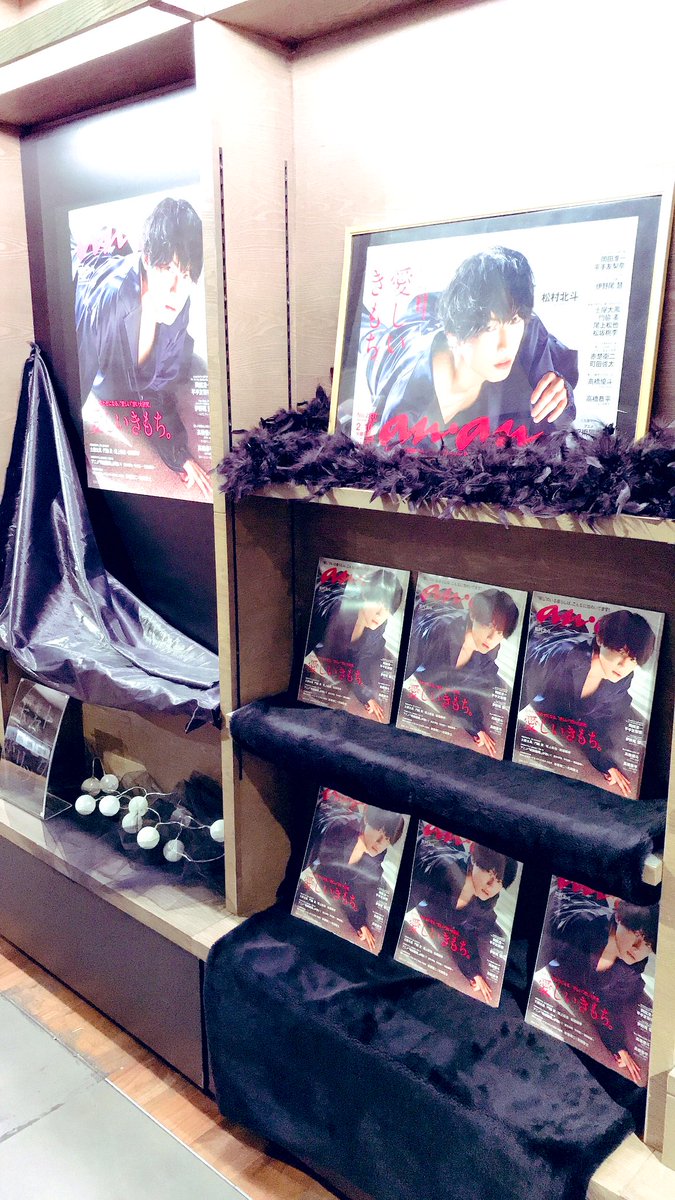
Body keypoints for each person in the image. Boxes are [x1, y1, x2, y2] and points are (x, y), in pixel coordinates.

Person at [360, 246, 578, 451]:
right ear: (454, 336)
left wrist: (561, 391)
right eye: (490, 328)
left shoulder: (527, 331)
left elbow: (556, 426)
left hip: (451, 314)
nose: (505, 346)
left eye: (513, 321)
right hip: (402, 342)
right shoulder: (404, 404)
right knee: (366, 332)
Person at [74, 196, 211, 498]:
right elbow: (70, 391)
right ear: (147, 259)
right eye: (166, 269)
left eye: (185, 274)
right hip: (88, 285)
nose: (176, 290)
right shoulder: (107, 306)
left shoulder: (178, 301)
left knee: (181, 365)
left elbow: (159, 387)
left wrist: (178, 453)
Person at [521, 608, 657, 796]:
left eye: (633, 659)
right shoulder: (561, 658)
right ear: (600, 640)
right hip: (541, 646)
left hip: (571, 635)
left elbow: (604, 718)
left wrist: (604, 761)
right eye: (620, 652)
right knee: (528, 623)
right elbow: (522, 687)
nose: (624, 665)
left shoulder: (622, 677)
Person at [545, 886, 657, 1086]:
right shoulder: (584, 931)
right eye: (635, 934)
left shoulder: (631, 972)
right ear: (620, 919)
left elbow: (608, 1003)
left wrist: (617, 1046)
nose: (638, 948)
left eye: (648, 944)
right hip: (566, 913)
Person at [404, 587, 520, 756]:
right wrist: (368, 695)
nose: (491, 638)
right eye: (488, 626)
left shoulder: (490, 649)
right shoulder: (436, 634)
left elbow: (469, 687)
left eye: (500, 633)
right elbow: (404, 665)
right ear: (473, 615)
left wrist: (475, 727)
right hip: (424, 615)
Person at [407, 834, 518, 1003]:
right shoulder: (438, 873)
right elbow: (404, 897)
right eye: (488, 873)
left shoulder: (485, 902)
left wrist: (473, 971)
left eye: (499, 881)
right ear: (474, 861)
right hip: (423, 850)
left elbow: (467, 933)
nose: (491, 885)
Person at [304, 797, 406, 951]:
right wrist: (357, 850)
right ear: (366, 820)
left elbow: (358, 889)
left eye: (387, 839)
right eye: (378, 832)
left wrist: (359, 922)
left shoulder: (377, 855)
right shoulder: (340, 831)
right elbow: (328, 870)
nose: (380, 843)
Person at [303, 567, 404, 721]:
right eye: (378, 603)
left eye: (387, 609)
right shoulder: (334, 612)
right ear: (365, 595)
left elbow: (363, 661)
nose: (380, 614)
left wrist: (367, 696)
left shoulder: (377, 627)